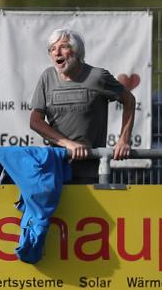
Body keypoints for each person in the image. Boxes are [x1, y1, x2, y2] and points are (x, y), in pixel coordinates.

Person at [29, 28, 135, 184]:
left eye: (63, 47)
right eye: (52, 49)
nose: (57, 52)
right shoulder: (47, 77)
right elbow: (35, 121)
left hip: (90, 174)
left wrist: (124, 140)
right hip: (55, 172)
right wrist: (67, 144)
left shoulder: (98, 76)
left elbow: (129, 100)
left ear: (77, 51)